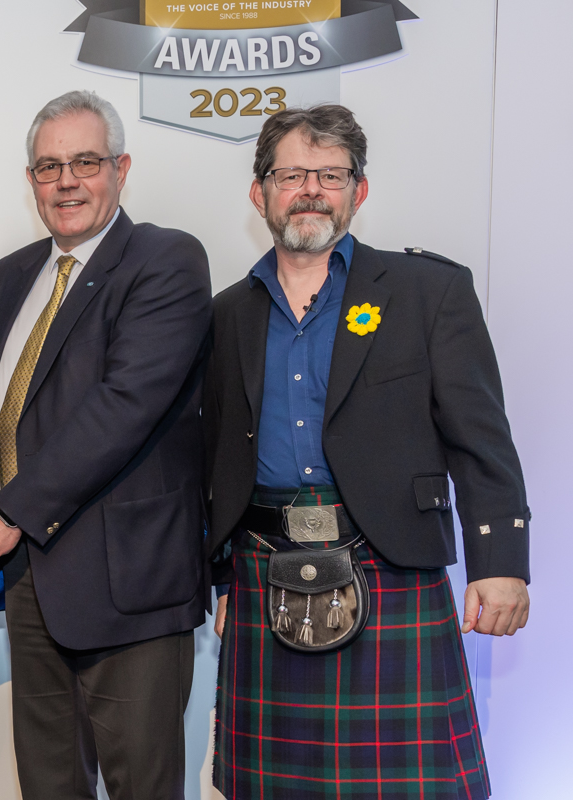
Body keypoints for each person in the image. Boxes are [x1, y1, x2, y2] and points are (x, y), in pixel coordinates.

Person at [204, 104, 531, 800]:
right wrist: (224, 575)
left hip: (391, 568)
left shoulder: (428, 292)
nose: (311, 190)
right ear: (260, 193)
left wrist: (500, 562)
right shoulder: (229, 311)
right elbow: (217, 452)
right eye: (291, 175)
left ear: (360, 190)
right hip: (263, 571)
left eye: (331, 174)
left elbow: (481, 437)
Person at [0, 90, 213, 799]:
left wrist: (8, 510)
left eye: (85, 162)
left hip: (131, 585)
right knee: (48, 786)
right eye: (49, 167)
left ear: (121, 169)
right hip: (31, 581)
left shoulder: (166, 259)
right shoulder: (10, 276)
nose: (66, 181)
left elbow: (124, 406)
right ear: (30, 180)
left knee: (143, 787)